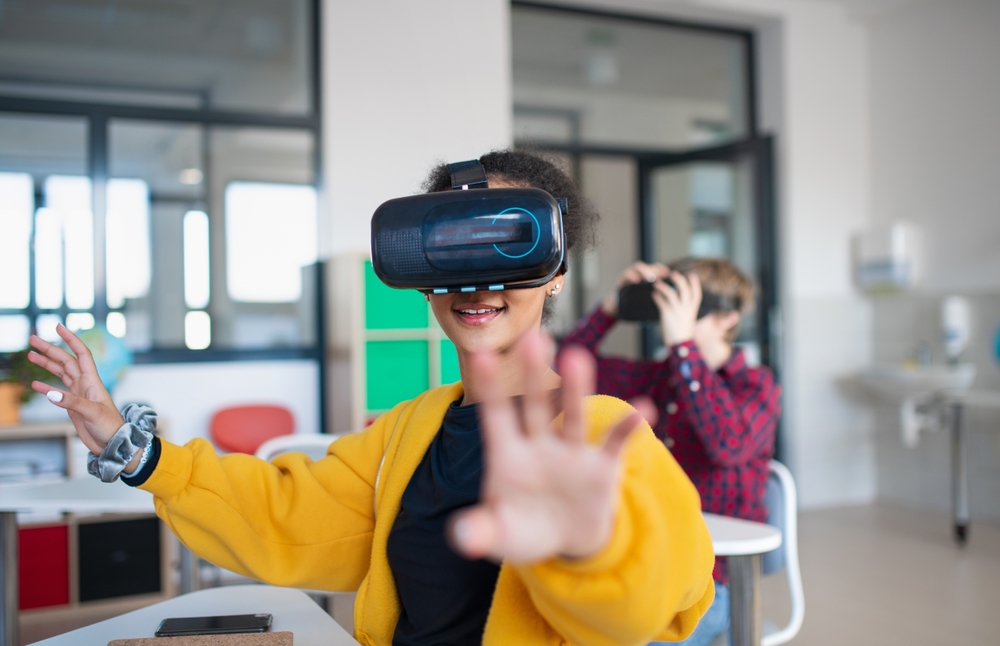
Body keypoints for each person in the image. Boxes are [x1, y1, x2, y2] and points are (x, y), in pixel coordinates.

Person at [28, 150, 715, 646]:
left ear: (556, 271)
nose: (476, 284)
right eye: (452, 252)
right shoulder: (407, 429)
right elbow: (288, 513)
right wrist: (134, 448)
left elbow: (666, 597)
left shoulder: (597, 429)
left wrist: (589, 546)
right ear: (422, 270)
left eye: (505, 245)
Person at [559, 257, 781, 646]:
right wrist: (612, 309)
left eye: (689, 303)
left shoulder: (758, 386)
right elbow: (567, 368)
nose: (675, 312)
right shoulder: (662, 377)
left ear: (727, 319)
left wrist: (682, 345)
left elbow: (727, 444)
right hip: (651, 564)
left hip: (714, 584)